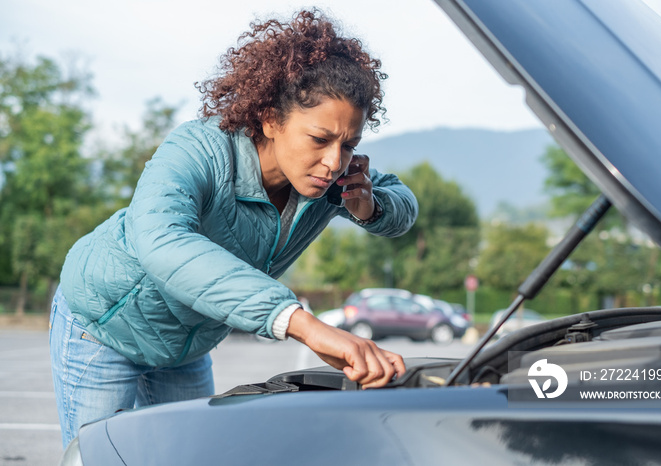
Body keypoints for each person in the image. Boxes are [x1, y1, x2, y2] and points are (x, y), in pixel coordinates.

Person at [49, 8, 418, 447]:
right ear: (270, 119)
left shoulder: (334, 180)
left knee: (193, 458)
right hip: (103, 326)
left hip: (185, 350)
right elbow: (163, 241)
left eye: (349, 144)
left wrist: (369, 206)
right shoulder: (197, 149)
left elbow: (404, 204)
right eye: (319, 140)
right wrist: (302, 324)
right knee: (103, 457)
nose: (334, 161)